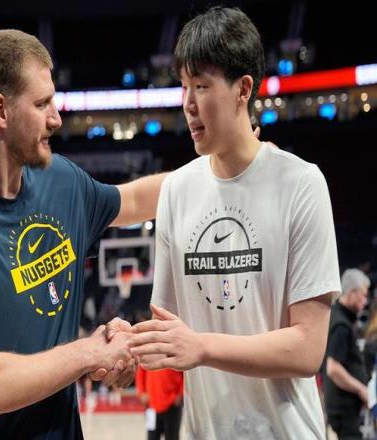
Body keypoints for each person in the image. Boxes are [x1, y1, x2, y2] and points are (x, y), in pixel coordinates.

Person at [0, 29, 165, 439]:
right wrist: (89, 351)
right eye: (42, 103)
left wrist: (223, 167)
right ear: (1, 110)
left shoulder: (60, 180)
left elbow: (135, 199)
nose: (56, 119)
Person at [126, 6, 341, 439]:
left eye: (202, 86)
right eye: (184, 86)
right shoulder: (176, 190)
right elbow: (168, 329)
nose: (188, 104)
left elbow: (307, 349)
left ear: (243, 89)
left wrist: (203, 346)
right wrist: (122, 346)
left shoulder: (301, 184)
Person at [324, 269, 370, 439]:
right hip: (343, 408)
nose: (365, 301)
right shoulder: (341, 324)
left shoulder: (337, 316)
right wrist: (361, 389)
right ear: (352, 293)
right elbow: (333, 369)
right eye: (363, 295)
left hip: (343, 407)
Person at [136, 365, 183, 440]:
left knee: (172, 437)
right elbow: (141, 372)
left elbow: (186, 374)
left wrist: (181, 393)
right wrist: (141, 393)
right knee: (151, 437)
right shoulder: (146, 357)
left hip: (172, 404)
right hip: (150, 405)